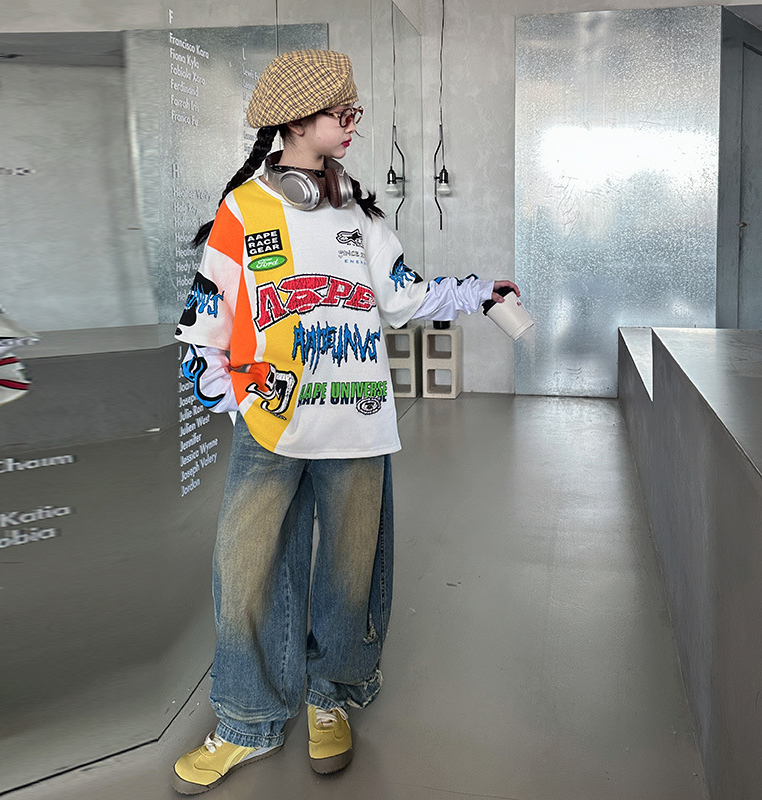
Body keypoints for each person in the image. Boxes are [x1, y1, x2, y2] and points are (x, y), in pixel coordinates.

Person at [171, 49, 519, 795]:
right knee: (246, 570)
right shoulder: (244, 211)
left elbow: (403, 295)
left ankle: (329, 695)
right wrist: (231, 395)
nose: (354, 124)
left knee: (347, 570)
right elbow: (205, 319)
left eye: (354, 112)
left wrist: (476, 292)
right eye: (343, 113)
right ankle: (247, 721)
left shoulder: (358, 211)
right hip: (271, 429)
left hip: (357, 425)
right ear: (298, 121)